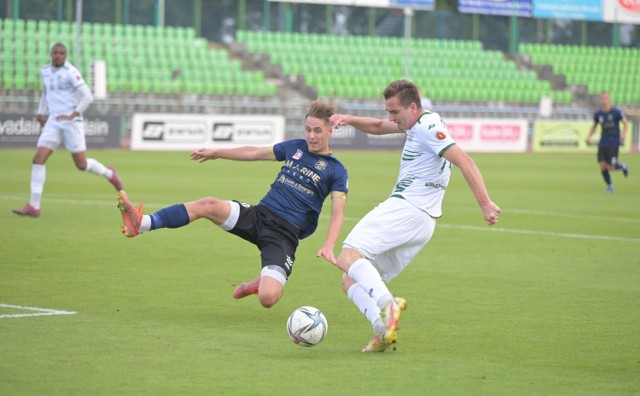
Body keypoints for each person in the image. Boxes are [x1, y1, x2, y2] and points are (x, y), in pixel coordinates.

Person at [116, 100, 348, 308]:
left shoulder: (336, 170)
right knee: (208, 204)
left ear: (330, 130)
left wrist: (329, 244)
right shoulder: (295, 147)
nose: (312, 136)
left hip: (284, 235)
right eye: (308, 130)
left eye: (318, 131)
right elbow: (254, 152)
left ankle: (261, 282)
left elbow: (338, 213)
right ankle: (142, 223)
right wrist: (218, 152)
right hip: (259, 215)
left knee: (268, 299)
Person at [330, 79, 501, 353]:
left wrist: (485, 203)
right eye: (388, 111)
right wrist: (348, 118)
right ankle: (382, 330)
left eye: (394, 112)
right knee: (351, 278)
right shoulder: (416, 123)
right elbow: (376, 127)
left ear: (412, 107)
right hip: (423, 223)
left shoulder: (427, 128)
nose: (390, 118)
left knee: (348, 256)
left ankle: (389, 305)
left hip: (407, 208)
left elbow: (465, 161)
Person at [12, 43, 122, 218]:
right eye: (55, 53)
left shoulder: (71, 72)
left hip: (72, 123)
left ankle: (109, 174)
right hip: (53, 122)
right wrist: (40, 112)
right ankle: (34, 206)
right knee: (38, 159)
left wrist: (74, 114)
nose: (58, 56)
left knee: (81, 164)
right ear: (51, 54)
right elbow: (46, 93)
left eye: (62, 53)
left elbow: (88, 96)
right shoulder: (45, 71)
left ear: (65, 55)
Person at [585, 91, 629, 193]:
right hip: (603, 143)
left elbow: (625, 123)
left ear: (609, 100)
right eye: (603, 98)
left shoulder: (616, 112)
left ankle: (623, 166)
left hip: (614, 143)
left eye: (606, 98)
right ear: (600, 100)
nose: (605, 101)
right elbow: (594, 126)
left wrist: (624, 134)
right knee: (602, 165)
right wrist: (588, 137)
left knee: (611, 167)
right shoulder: (598, 114)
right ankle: (610, 186)